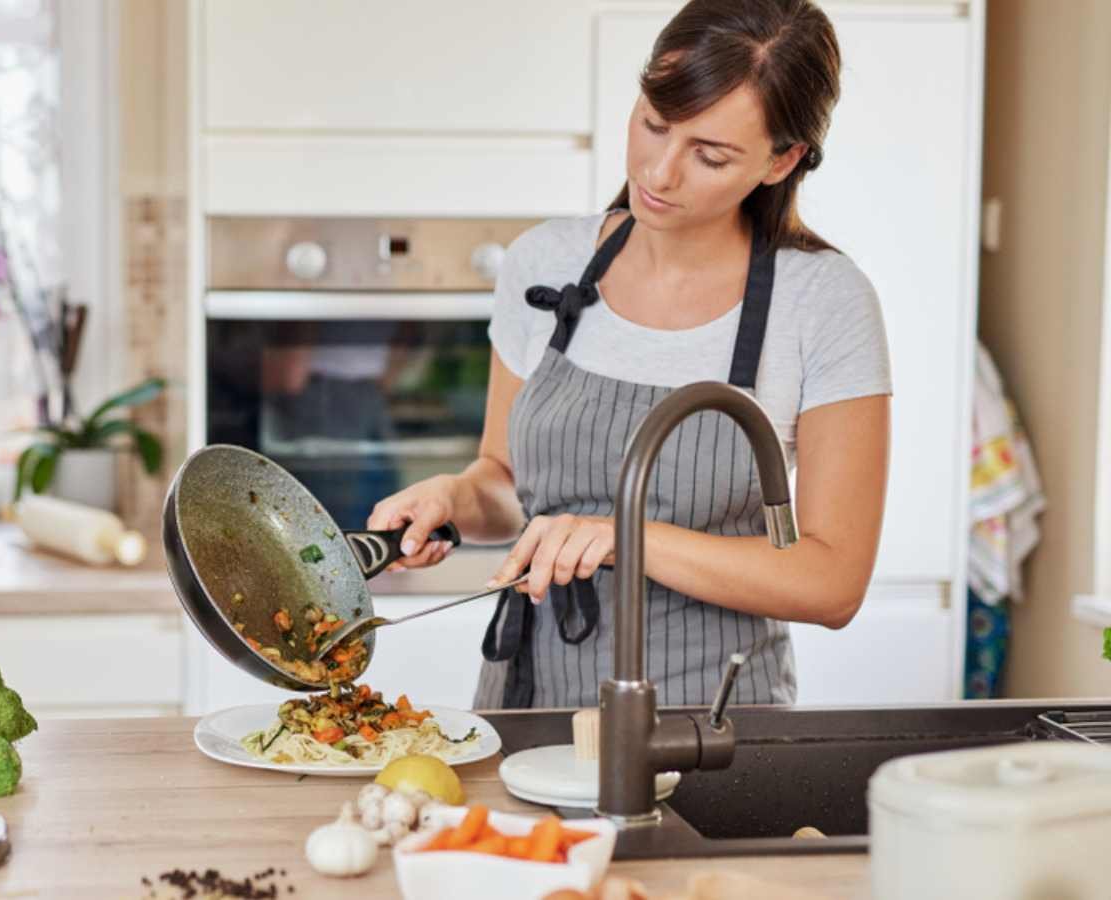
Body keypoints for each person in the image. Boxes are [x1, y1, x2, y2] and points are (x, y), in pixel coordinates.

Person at [366, 0, 890, 709]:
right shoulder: (543, 260)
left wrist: (623, 536)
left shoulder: (823, 301)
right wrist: (454, 497)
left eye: (710, 154)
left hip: (714, 725)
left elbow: (832, 582)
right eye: (653, 123)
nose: (661, 171)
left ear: (782, 160)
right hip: (527, 702)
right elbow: (504, 482)